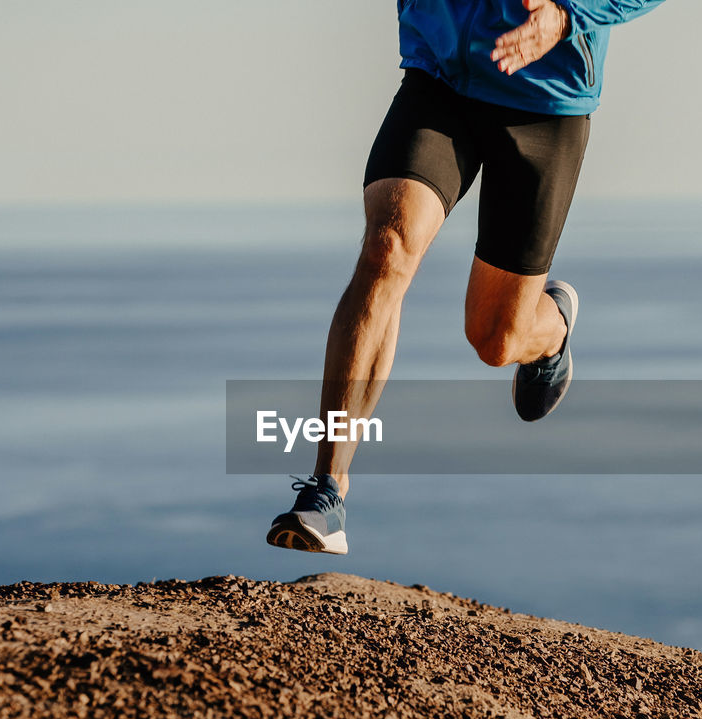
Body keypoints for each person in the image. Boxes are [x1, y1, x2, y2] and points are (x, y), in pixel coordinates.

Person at [266, 0, 667, 555]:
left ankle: (550, 333)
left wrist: (569, 14)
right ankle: (326, 490)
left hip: (544, 98)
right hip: (440, 79)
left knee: (496, 339)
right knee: (388, 247)